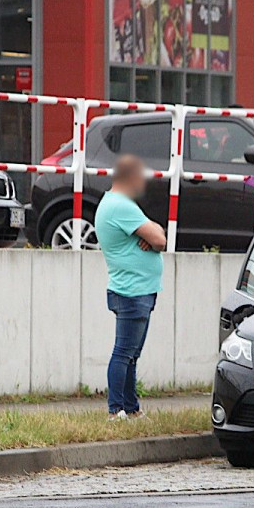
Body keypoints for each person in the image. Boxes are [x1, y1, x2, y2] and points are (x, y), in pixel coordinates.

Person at [95, 155, 168, 421]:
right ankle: (116, 410)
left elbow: (157, 234)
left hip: (135, 289)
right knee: (124, 353)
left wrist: (149, 234)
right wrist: (150, 236)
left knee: (131, 355)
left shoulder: (115, 204)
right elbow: (160, 238)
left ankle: (131, 408)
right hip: (132, 291)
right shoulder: (121, 206)